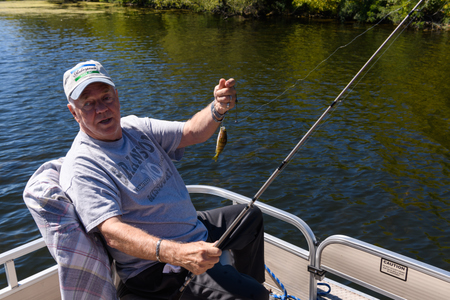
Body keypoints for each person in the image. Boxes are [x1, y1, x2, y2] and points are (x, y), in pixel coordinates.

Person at [60, 60, 269, 300]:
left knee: (250, 218)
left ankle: (242, 280)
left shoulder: (135, 128)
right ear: (73, 112)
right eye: (88, 103)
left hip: (192, 227)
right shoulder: (82, 165)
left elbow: (192, 131)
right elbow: (112, 233)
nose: (101, 109)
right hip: (157, 268)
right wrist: (178, 253)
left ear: (116, 96)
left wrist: (218, 108)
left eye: (106, 97)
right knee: (256, 297)